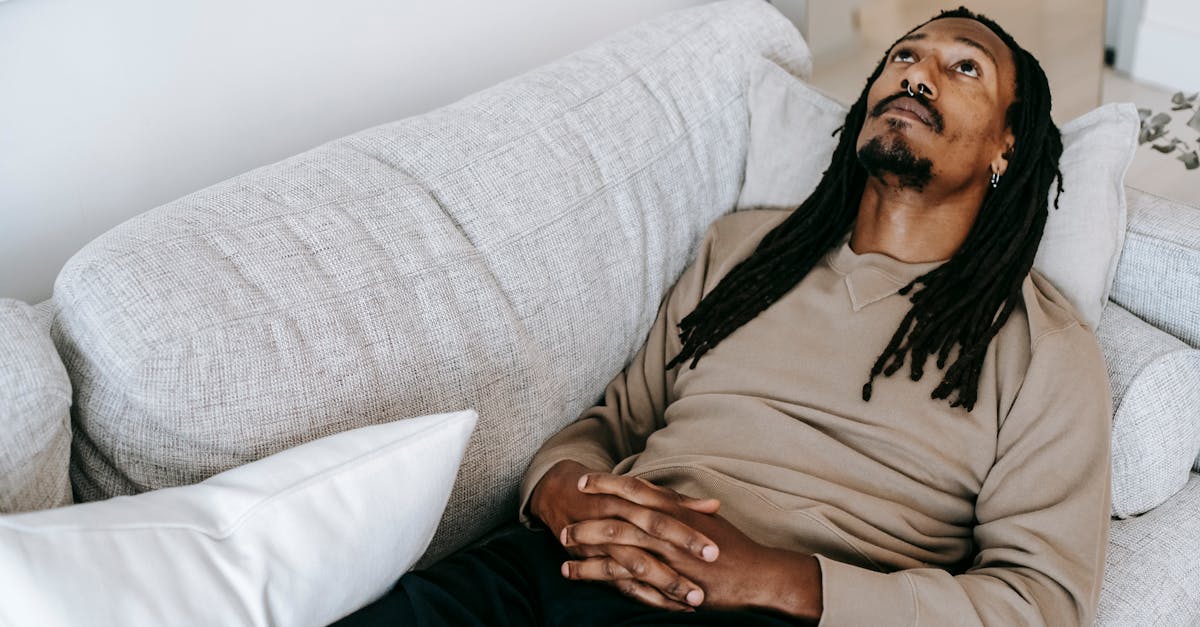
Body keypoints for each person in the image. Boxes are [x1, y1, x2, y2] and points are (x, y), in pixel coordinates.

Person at [337, 7, 1111, 626]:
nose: (916, 74)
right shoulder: (745, 251)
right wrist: (558, 486)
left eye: (962, 67)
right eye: (903, 57)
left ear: (1008, 146)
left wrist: (779, 579)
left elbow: (1040, 601)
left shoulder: (1045, 348)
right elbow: (617, 420)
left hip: (770, 613)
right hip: (561, 568)